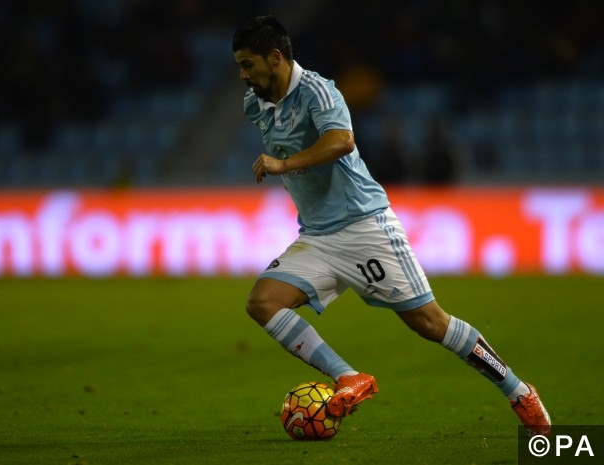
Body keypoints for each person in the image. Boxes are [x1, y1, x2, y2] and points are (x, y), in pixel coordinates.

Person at [232, 15, 551, 435]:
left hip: (365, 226)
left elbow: (342, 141)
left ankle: (517, 391)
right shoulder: (255, 103)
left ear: (275, 58)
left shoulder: (318, 91)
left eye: (248, 64)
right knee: (262, 303)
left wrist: (284, 164)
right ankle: (348, 377)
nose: (243, 75)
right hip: (317, 236)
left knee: (430, 323)